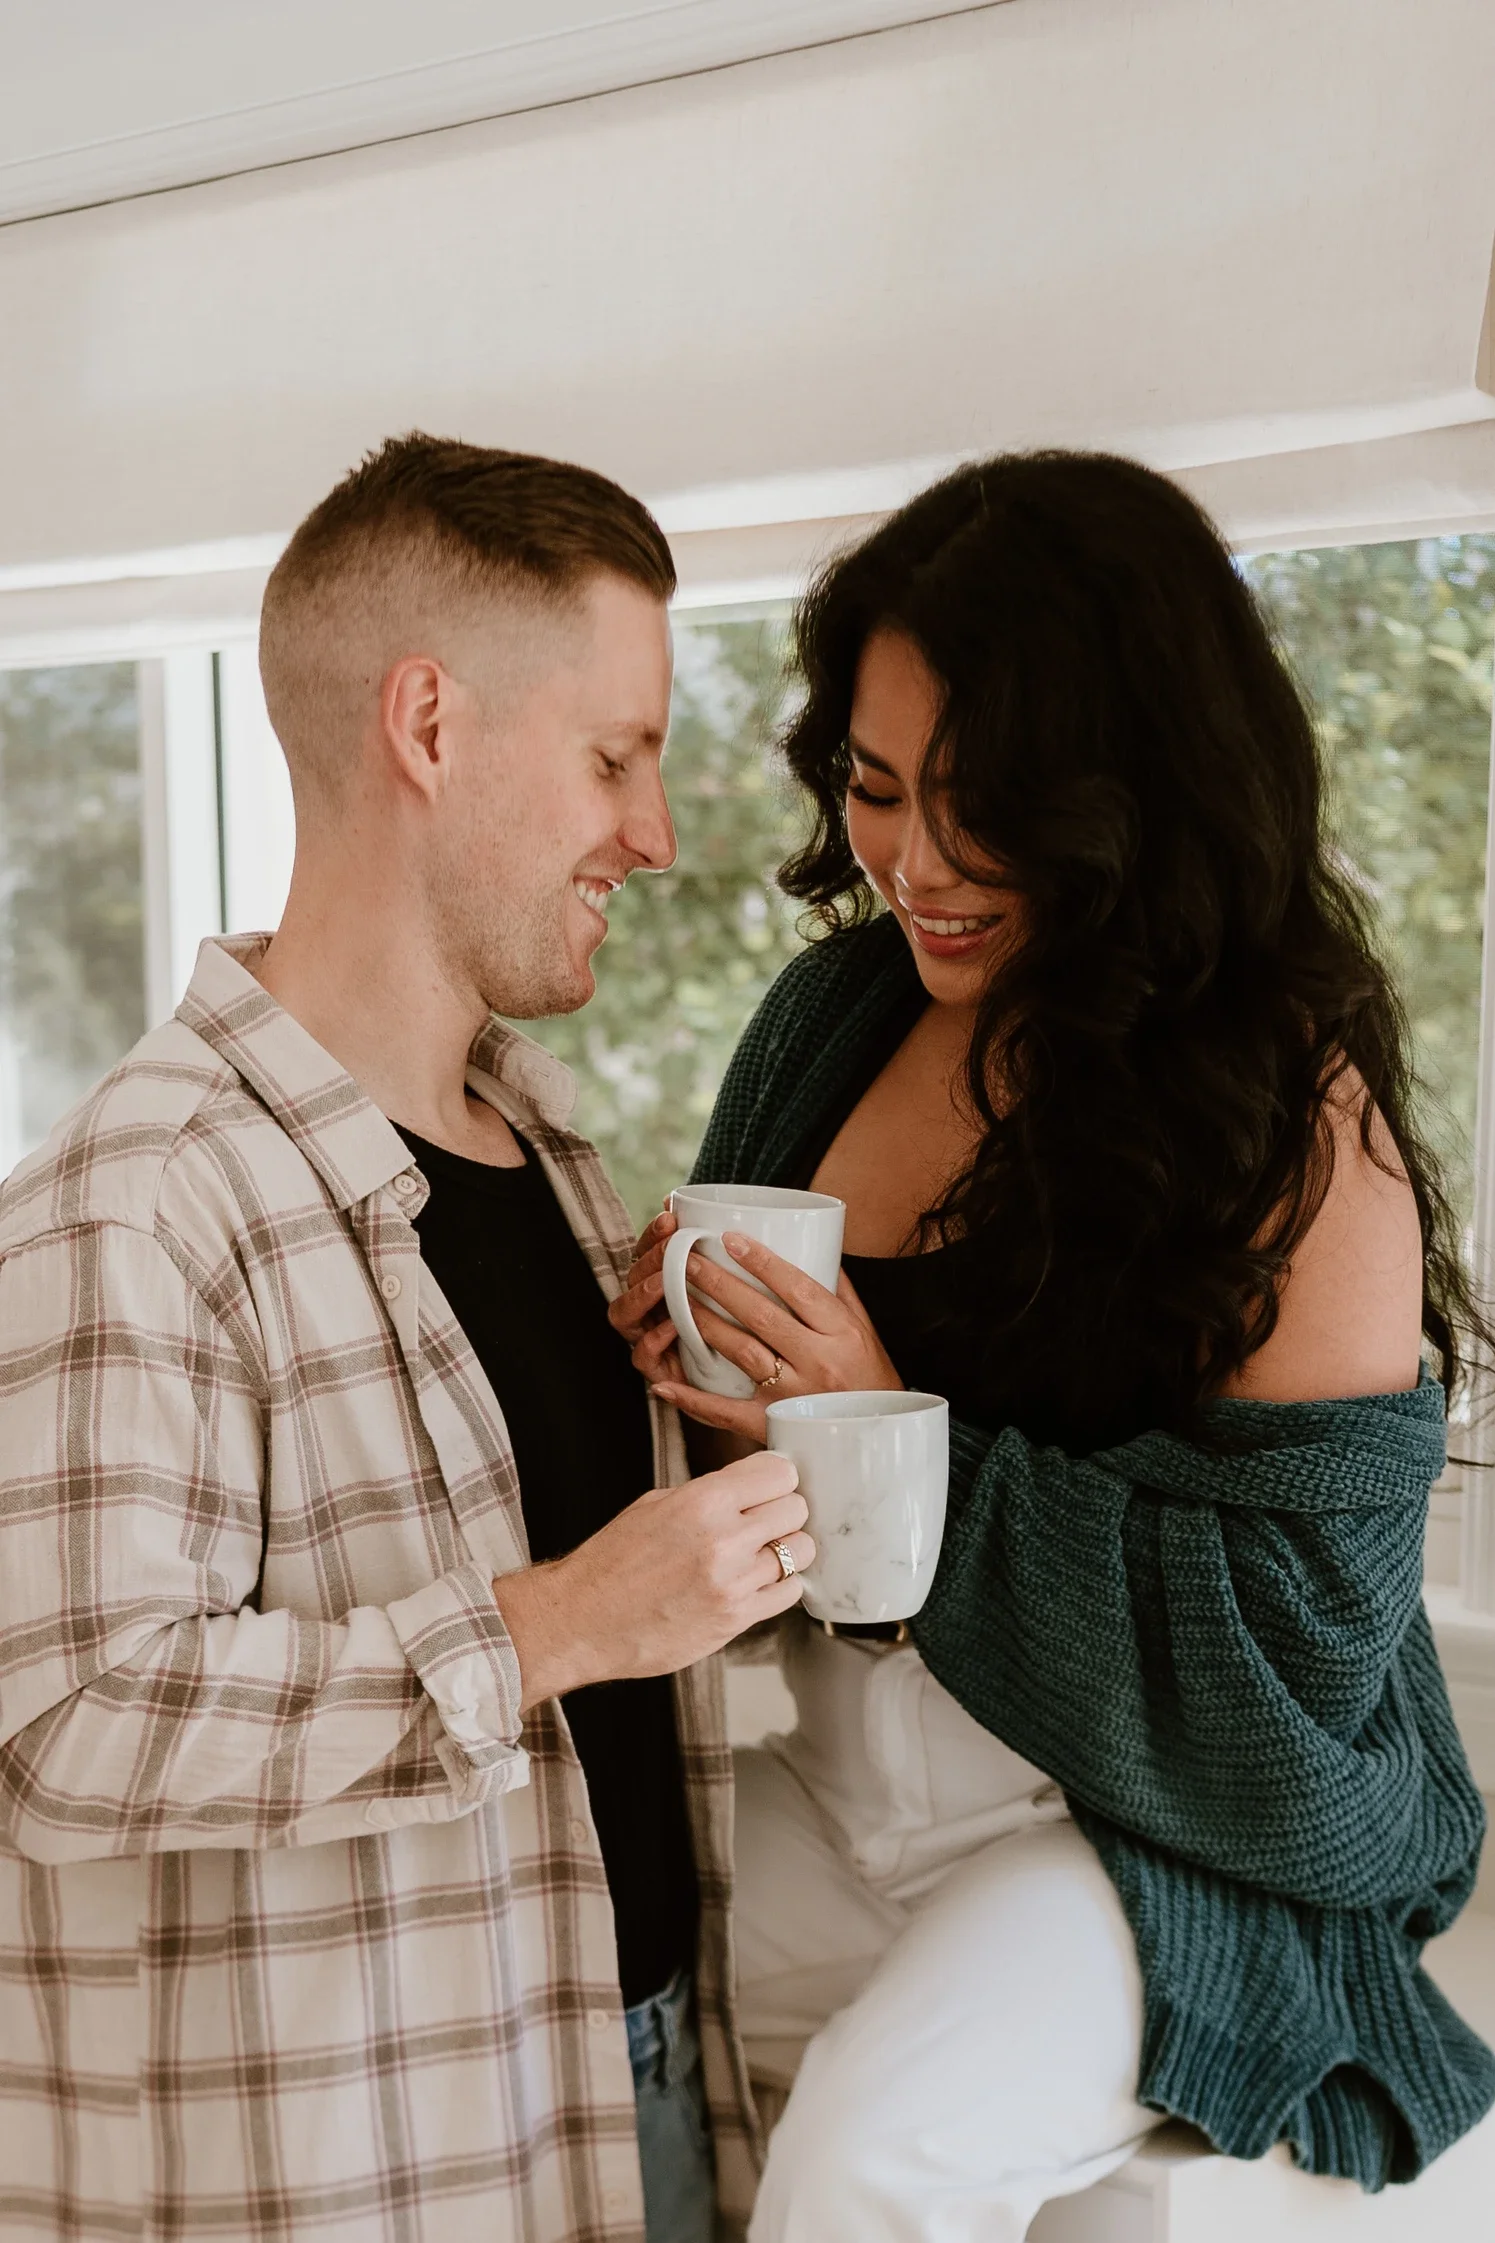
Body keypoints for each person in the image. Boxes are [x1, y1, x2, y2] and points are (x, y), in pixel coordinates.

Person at [611, 450, 1495, 2240]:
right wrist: (704, 1393)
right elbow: (790, 1552)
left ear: (1132, 797)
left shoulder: (1295, 1137)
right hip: (840, 1769)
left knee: (861, 2157)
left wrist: (864, 1413)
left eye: (983, 806)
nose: (915, 866)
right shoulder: (835, 1018)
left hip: (1152, 1847)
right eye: (873, 790)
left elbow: (1291, 1683)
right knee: (536, 1977)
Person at [0, 434, 815, 2243]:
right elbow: (65, 1727)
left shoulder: (562, 1167)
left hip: (633, 2079)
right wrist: (564, 1621)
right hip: (368, 2167)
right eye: (616, 756)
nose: (658, 834)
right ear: (429, 727)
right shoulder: (135, 1201)